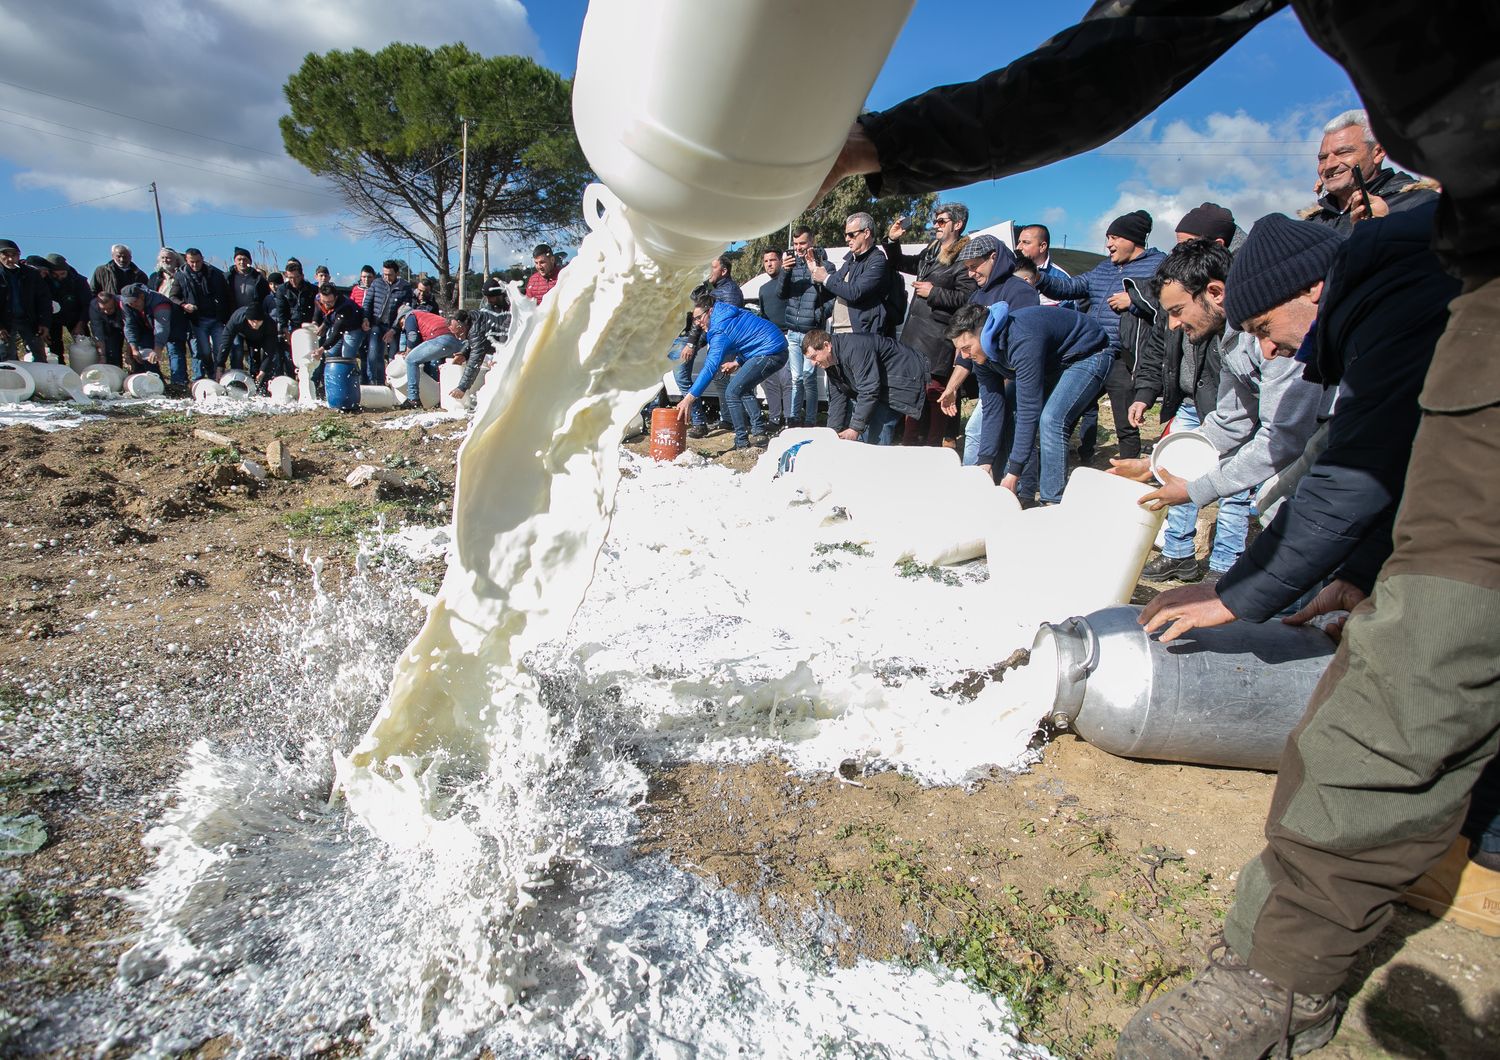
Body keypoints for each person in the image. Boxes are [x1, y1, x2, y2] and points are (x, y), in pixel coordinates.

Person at [814, 5, 1499, 1054]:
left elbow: (1342, 462)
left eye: (1271, 329)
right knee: (1448, 613)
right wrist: (884, 145)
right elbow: (1346, 458)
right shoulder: (1397, 275)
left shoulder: (1390, 280)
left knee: (1441, 621)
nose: (1278, 353)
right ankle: (1286, 972)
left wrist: (1247, 588)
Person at [1122, 227, 1330, 584]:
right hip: (1309, 441)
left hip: (1332, 436)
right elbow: (1231, 420)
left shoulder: (1271, 329)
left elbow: (1280, 438)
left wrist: (1194, 490)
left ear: (1215, 293)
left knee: (1279, 503)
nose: (1173, 324)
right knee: (1272, 503)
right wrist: (1155, 463)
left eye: (1177, 311)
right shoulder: (1230, 339)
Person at [945, 301, 1112, 502]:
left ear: (984, 333)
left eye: (966, 347)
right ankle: (1021, 494)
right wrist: (985, 462)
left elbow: (1029, 409)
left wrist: (1014, 471)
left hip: (1088, 354)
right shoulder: (980, 355)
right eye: (960, 350)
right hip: (1052, 361)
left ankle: (1051, 501)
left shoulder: (1022, 339)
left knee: (1051, 419)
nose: (964, 356)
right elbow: (993, 407)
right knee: (1008, 411)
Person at [1033, 210, 1166, 461]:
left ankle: (1128, 471)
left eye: (1114, 237)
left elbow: (1168, 303)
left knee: (1125, 423)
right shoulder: (1104, 268)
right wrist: (1039, 278)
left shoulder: (1159, 265)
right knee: (1066, 412)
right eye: (1107, 237)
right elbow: (1070, 287)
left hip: (1122, 358)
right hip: (1093, 353)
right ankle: (1056, 465)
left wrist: (1134, 299)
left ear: (1132, 239)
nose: (1108, 244)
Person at [937, 234, 1042, 469]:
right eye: (967, 269)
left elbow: (1024, 344)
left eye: (974, 267)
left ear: (993, 257)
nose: (971, 274)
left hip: (1016, 378)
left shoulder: (1019, 292)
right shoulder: (977, 296)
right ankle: (983, 481)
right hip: (990, 377)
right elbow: (965, 351)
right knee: (984, 431)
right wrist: (952, 387)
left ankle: (1013, 487)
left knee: (999, 430)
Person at [883, 203, 977, 446]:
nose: (936, 225)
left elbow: (967, 297)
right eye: (935, 220)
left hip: (938, 338)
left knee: (934, 396)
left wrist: (934, 292)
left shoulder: (965, 256)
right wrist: (892, 242)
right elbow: (901, 263)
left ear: (957, 225)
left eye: (942, 221)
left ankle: (935, 450)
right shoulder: (932, 250)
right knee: (913, 396)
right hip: (915, 335)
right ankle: (909, 447)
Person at [675, 295, 788, 450]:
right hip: (772, 347)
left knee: (732, 392)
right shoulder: (725, 313)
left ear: (710, 311)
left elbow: (710, 367)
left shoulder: (719, 329)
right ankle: (758, 432)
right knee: (741, 387)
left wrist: (689, 398)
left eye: (700, 318)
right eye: (695, 320)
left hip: (771, 352)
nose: (698, 323)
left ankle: (741, 443)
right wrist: (737, 362)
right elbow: (747, 338)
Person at [1304, 109, 1439, 234]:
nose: (1328, 165)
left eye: (1343, 152)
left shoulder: (1421, 203)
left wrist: (1383, 227)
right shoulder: (1312, 224)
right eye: (1322, 158)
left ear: (1378, 153)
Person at [802, 327, 925, 445]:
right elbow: (837, 399)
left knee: (875, 434)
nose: (813, 363)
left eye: (814, 357)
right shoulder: (830, 362)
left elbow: (869, 390)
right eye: (809, 359)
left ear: (827, 346)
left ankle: (877, 464)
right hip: (878, 385)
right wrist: (831, 434)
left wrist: (855, 429)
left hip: (903, 379)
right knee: (864, 430)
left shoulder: (855, 349)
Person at [673, 254, 746, 437]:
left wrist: (692, 343)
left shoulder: (730, 292)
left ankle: (724, 422)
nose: (708, 271)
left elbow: (716, 324)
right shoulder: (709, 289)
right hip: (703, 339)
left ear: (723, 271)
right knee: (718, 379)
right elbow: (700, 318)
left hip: (722, 340)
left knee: (723, 379)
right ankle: (719, 420)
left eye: (712, 267)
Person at [778, 225, 834, 427]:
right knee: (796, 378)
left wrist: (818, 313)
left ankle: (810, 420)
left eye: (802, 243)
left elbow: (832, 297)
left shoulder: (825, 265)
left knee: (809, 378)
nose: (799, 247)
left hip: (812, 332)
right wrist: (784, 271)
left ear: (811, 242)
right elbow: (781, 294)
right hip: (793, 332)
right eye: (795, 244)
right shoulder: (791, 266)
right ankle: (793, 418)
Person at [810, 212, 889, 336]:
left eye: (851, 234)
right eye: (846, 235)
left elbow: (855, 292)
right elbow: (829, 291)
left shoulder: (877, 259)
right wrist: (815, 273)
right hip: (838, 332)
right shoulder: (850, 261)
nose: (847, 239)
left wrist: (825, 277)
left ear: (866, 233)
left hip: (859, 334)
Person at [449, 282, 511, 402]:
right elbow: (476, 338)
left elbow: (475, 360)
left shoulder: (510, 307)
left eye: (491, 296)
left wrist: (462, 387)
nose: (489, 299)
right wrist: (464, 352)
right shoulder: (483, 312)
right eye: (486, 297)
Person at [753, 248, 794, 429]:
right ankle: (774, 419)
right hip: (769, 341)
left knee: (788, 380)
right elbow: (762, 316)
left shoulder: (789, 283)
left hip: (788, 336)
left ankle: (789, 419)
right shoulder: (762, 289)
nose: (769, 264)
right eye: (766, 261)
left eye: (773, 260)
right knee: (770, 382)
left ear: (780, 261)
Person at [118, 282, 189, 385]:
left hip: (173, 325)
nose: (133, 305)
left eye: (135, 302)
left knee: (175, 352)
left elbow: (162, 327)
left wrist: (158, 349)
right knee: (146, 352)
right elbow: (129, 325)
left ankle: (179, 384)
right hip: (148, 327)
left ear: (142, 296)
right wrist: (133, 348)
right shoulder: (126, 304)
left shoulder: (159, 302)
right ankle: (156, 383)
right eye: (130, 303)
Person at [177, 248, 231, 379]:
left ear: (203, 259)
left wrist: (225, 314)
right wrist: (184, 305)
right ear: (186, 260)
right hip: (198, 320)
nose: (195, 265)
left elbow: (226, 294)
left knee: (220, 350)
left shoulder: (214, 273)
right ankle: (210, 373)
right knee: (204, 351)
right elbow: (173, 296)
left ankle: (219, 375)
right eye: (192, 262)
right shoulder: (181, 275)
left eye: (198, 261)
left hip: (216, 318)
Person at [400, 309, 469, 410]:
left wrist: (407, 352)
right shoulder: (429, 317)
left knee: (411, 360)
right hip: (455, 341)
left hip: (440, 338)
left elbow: (412, 337)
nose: (403, 327)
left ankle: (413, 399)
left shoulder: (410, 316)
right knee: (447, 368)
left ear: (403, 317)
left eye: (401, 324)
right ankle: (444, 398)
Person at [0, 239, 52, 362]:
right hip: (5, 321)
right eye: (6, 256)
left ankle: (39, 380)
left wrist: (44, 322)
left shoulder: (31, 274)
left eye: (14, 255)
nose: (11, 260)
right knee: (7, 357)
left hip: (29, 320)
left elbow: (43, 299)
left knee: (39, 355)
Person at [362, 259, 411, 386]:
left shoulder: (405, 287)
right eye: (385, 274)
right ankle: (376, 382)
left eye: (390, 274)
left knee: (393, 357)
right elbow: (367, 302)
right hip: (377, 324)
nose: (387, 277)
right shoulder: (377, 283)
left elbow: (405, 311)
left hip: (394, 327)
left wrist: (394, 329)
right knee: (373, 354)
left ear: (397, 273)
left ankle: (392, 383)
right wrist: (366, 318)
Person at [42, 254, 93, 364]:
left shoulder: (79, 281)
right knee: (55, 349)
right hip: (52, 319)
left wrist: (81, 324)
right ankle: (60, 373)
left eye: (62, 274)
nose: (59, 277)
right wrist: (44, 325)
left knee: (84, 345)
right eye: (55, 274)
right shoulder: (43, 281)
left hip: (75, 316)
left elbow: (87, 305)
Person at [226, 248, 270, 371]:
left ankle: (255, 379)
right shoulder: (228, 277)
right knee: (236, 349)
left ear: (249, 261)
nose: (242, 262)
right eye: (239, 259)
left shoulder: (258, 278)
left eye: (245, 259)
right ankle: (237, 377)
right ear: (234, 261)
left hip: (253, 320)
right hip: (234, 319)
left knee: (254, 351)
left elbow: (265, 298)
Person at [222, 303, 282, 385]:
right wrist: (220, 365)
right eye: (253, 321)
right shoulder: (237, 318)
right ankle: (236, 381)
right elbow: (226, 342)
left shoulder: (269, 324)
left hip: (258, 337)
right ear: (248, 319)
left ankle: (257, 383)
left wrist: (262, 371)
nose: (255, 324)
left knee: (256, 359)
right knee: (237, 351)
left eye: (258, 321)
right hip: (239, 332)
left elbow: (269, 350)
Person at [1015, 224, 1072, 307]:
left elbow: (1070, 315)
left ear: (1042, 246)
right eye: (1019, 242)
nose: (1018, 247)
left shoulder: (1063, 278)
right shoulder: (1010, 271)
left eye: (1026, 243)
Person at [313, 282, 365, 363]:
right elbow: (319, 311)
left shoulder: (344, 307)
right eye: (324, 301)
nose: (326, 305)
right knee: (330, 354)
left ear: (336, 297)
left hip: (353, 328)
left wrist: (321, 349)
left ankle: (353, 374)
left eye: (329, 302)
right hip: (336, 326)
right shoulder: (318, 298)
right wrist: (315, 323)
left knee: (347, 357)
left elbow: (337, 332)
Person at [273, 258, 317, 344]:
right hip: (292, 325)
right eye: (290, 278)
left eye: (296, 277)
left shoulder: (312, 289)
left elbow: (317, 309)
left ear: (302, 276)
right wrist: (285, 329)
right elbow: (281, 311)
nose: (293, 281)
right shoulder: (282, 290)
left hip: (310, 323)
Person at [86, 289, 127, 369]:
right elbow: (98, 332)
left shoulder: (123, 303)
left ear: (114, 302)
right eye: (103, 309)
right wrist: (102, 355)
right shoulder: (94, 306)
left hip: (123, 321)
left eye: (109, 308)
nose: (106, 311)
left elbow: (130, 328)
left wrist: (129, 353)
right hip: (107, 326)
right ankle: (114, 370)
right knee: (111, 352)